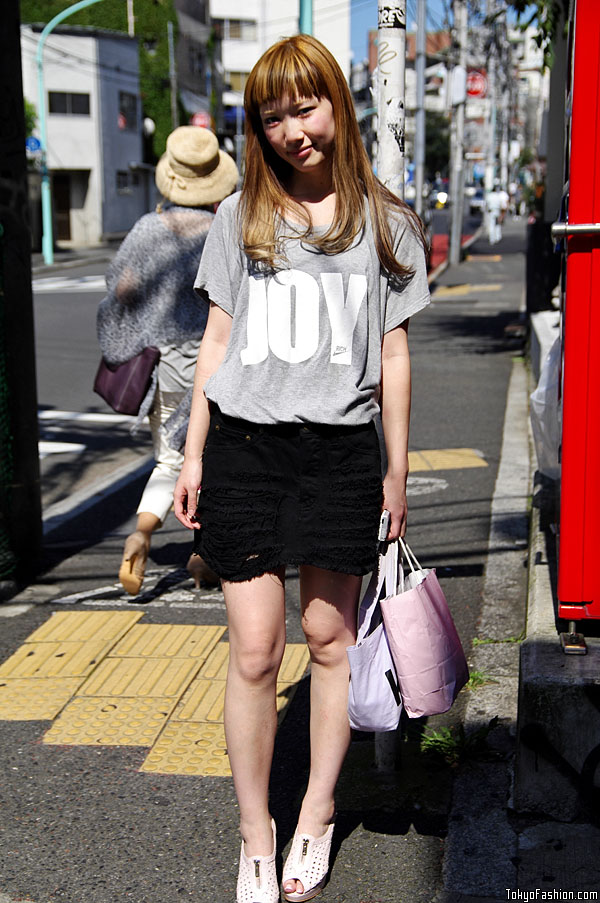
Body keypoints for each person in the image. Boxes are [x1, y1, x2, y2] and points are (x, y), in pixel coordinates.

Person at [173, 35, 430, 903]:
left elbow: (393, 356)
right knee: (253, 651)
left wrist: (396, 470)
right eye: (273, 115)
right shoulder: (239, 214)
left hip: (340, 456)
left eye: (306, 107)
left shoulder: (386, 224)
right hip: (246, 449)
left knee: (329, 643)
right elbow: (215, 343)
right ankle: (257, 833)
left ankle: (316, 810)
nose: (292, 130)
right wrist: (194, 456)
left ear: (339, 106)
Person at [97, 126, 239, 595]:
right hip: (219, 362)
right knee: (215, 460)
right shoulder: (225, 230)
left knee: (170, 459)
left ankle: (141, 533)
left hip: (168, 368)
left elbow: (120, 292)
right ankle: (203, 556)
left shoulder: (145, 230)